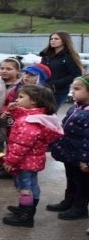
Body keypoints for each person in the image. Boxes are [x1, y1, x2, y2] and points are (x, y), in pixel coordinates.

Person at [1, 85, 63, 227]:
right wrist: (13, 109)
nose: (17, 99)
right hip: (33, 160)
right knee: (30, 184)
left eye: (21, 97)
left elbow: (21, 144)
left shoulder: (30, 122)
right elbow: (20, 117)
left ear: (34, 101)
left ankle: (26, 216)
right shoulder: (40, 117)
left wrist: (10, 161)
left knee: (25, 188)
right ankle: (26, 209)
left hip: (24, 161)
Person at [49, 75, 89, 223]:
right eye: (73, 89)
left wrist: (86, 160)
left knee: (83, 183)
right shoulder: (75, 108)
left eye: (77, 89)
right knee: (71, 179)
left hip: (82, 157)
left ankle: (80, 208)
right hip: (71, 153)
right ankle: (69, 201)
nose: (73, 92)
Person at [0, 57, 24, 175]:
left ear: (18, 71)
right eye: (2, 68)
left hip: (14, 120)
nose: (4, 71)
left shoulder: (22, 85)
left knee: (13, 143)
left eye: (9, 69)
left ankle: (12, 164)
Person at [39, 31, 84, 108]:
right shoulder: (46, 55)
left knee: (50, 113)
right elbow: (41, 70)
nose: (52, 40)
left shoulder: (69, 56)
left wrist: (54, 84)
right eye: (51, 38)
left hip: (58, 92)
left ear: (64, 40)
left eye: (56, 39)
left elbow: (75, 75)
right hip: (42, 89)